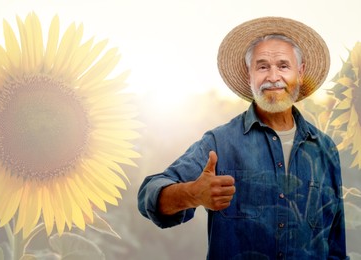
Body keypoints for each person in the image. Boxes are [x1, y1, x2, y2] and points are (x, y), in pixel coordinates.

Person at [137, 17, 348, 259]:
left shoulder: (325, 148)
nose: (273, 76)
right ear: (249, 76)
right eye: (262, 67)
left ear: (300, 73)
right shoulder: (220, 143)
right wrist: (193, 193)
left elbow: (335, 246)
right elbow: (149, 195)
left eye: (283, 66)